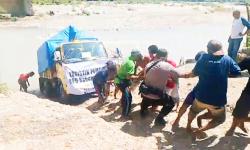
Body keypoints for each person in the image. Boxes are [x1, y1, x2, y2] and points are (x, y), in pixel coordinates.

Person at [183, 40, 241, 138]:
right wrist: (224, 74)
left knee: (193, 111)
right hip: (217, 101)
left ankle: (188, 126)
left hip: (200, 97)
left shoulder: (203, 58)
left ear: (208, 49)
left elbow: (194, 73)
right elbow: (237, 72)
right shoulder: (227, 59)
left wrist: (185, 75)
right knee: (220, 119)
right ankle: (200, 130)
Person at [139, 48, 181, 126]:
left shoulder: (149, 64)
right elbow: (179, 74)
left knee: (146, 99)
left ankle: (143, 112)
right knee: (171, 102)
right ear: (165, 57)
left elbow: (145, 77)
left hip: (145, 93)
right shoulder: (167, 65)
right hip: (157, 97)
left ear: (157, 55)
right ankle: (159, 119)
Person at [172, 51, 206, 127]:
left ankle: (177, 120)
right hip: (210, 93)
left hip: (199, 90)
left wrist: (178, 75)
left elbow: (190, 75)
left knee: (186, 105)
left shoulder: (201, 66)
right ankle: (188, 125)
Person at [114, 50, 143, 119]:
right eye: (138, 57)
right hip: (122, 82)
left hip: (119, 79)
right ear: (135, 56)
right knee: (128, 98)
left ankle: (122, 105)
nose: (139, 58)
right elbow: (129, 77)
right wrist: (140, 77)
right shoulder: (131, 63)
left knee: (125, 95)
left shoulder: (127, 58)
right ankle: (125, 115)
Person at [226, 56, 250, 136]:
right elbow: (235, 70)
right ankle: (233, 127)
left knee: (241, 111)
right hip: (248, 92)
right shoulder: (248, 60)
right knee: (240, 110)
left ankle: (240, 123)